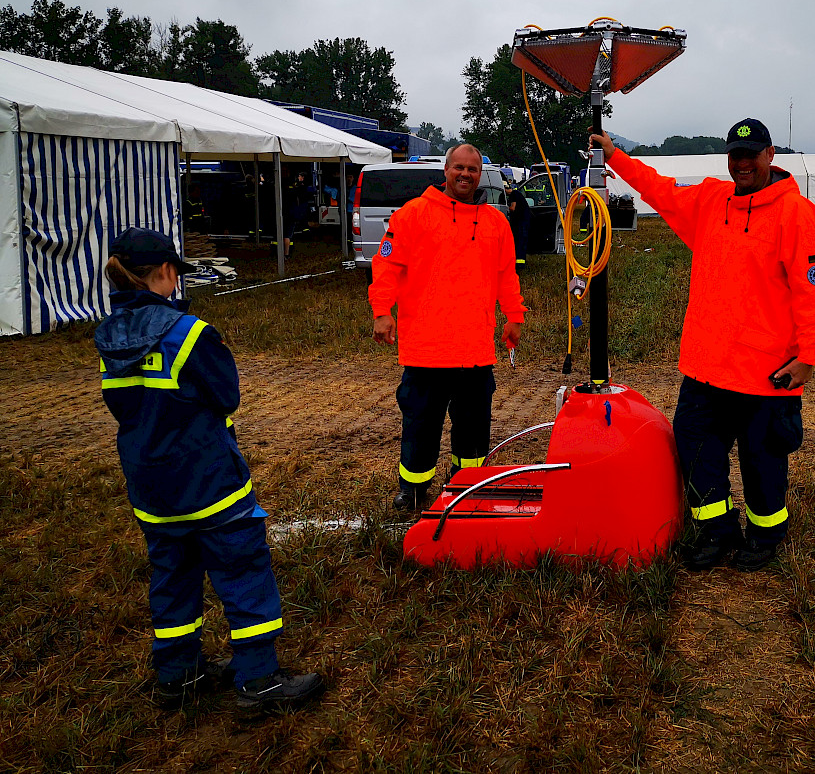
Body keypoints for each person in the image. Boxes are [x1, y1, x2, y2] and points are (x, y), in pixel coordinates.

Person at [590, 119, 815, 572]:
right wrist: (616, 157)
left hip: (767, 373)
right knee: (696, 450)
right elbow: (660, 190)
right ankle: (716, 531)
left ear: (770, 155)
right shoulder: (710, 200)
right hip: (706, 368)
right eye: (735, 155)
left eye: (752, 154)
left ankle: (764, 537)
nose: (742, 163)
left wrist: (808, 356)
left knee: (763, 462)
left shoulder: (794, 213)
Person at [94, 227, 324, 713]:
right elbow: (227, 396)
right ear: (166, 272)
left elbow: (121, 406)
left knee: (172, 574)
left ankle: (178, 674)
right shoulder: (192, 334)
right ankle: (259, 678)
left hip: (150, 487)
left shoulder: (108, 338)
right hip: (208, 481)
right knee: (243, 570)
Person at [370, 144, 527, 512]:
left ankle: (466, 486)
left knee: (473, 430)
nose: (465, 175)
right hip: (425, 349)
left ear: (480, 175)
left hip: (474, 351)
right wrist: (382, 310)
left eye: (472, 169)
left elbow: (507, 275)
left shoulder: (496, 223)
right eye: (459, 167)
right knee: (421, 426)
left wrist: (515, 315)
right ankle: (412, 490)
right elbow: (386, 265)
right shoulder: (413, 215)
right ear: (445, 170)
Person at [506, 181, 531, 266]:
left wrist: (506, 207)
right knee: (521, 241)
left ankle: (519, 263)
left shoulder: (514, 194)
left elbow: (513, 208)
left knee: (519, 241)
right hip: (523, 221)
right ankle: (520, 262)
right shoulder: (518, 193)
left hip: (521, 222)